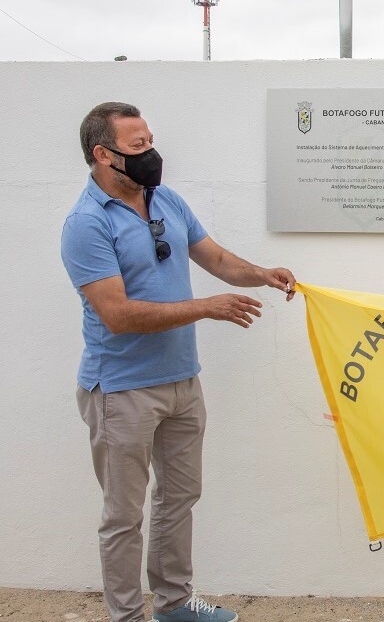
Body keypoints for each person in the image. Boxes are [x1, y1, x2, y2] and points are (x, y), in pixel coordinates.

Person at [61, 102, 297, 622]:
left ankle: (173, 604)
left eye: (150, 140)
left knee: (179, 498)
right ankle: (128, 616)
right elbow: (117, 314)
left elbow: (215, 258)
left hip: (181, 383)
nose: (151, 153)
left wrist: (262, 273)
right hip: (122, 390)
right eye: (137, 146)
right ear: (103, 155)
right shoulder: (86, 224)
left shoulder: (165, 198)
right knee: (124, 516)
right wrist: (206, 308)